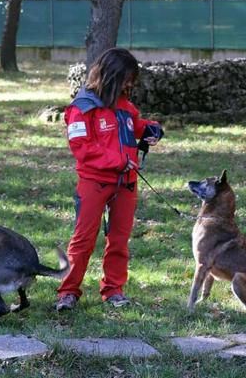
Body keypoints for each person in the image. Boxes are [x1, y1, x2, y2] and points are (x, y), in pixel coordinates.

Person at [56, 48, 163, 311]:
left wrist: (153, 130)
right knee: (83, 240)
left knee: (119, 240)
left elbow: (136, 126)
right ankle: (68, 292)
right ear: (112, 75)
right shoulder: (81, 107)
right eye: (127, 78)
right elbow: (81, 147)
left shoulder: (123, 104)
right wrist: (118, 161)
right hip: (94, 183)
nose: (130, 84)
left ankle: (113, 290)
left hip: (126, 184)